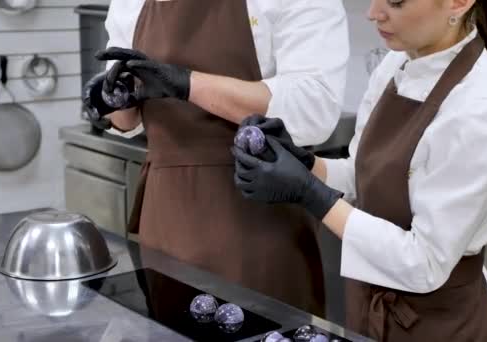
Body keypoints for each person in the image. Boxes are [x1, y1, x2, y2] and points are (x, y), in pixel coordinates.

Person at [232, 0, 487, 340]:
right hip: (368, 305)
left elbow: (425, 262)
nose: (373, 13)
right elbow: (361, 174)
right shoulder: (397, 63)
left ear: (458, 3)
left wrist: (310, 194)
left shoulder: (484, 108)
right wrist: (305, 164)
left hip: (440, 326)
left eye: (395, 1)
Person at [81, 0, 350, 316]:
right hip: (166, 215)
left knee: (263, 328)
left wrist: (188, 84)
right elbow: (127, 122)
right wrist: (111, 96)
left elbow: (312, 108)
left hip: (258, 213)